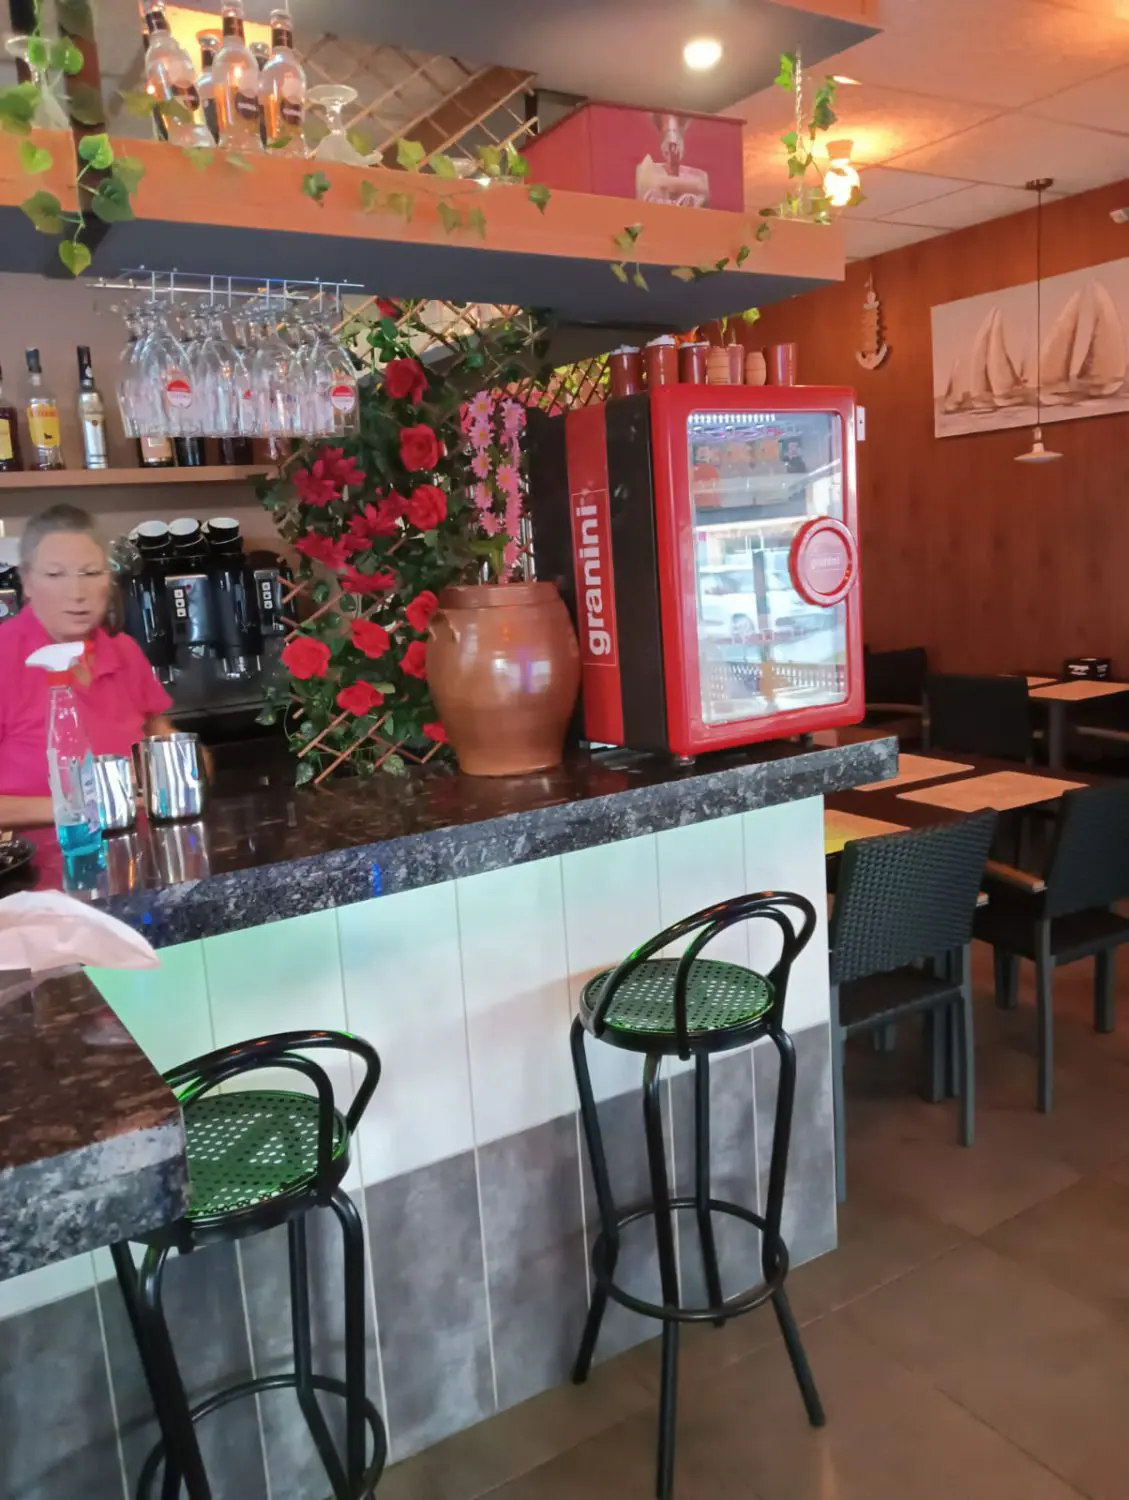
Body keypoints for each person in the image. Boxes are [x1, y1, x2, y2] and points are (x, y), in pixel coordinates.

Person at [0, 504, 175, 829]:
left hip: (137, 848)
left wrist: (182, 769)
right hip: (33, 856)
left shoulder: (123, 650)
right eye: (55, 575)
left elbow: (170, 745)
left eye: (91, 573)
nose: (77, 593)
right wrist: (87, 807)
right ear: (26, 581)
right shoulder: (4, 655)